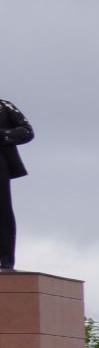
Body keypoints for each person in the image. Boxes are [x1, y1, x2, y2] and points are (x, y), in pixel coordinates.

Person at [0, 99, 31, 270]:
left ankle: (5, 260)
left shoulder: (4, 106)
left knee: (2, 210)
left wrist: (4, 135)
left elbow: (27, 131)